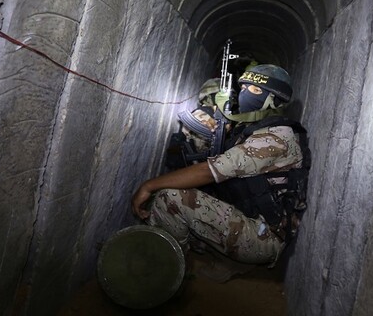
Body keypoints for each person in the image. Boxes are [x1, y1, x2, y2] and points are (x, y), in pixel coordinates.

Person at [132, 64, 311, 267]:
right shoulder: (256, 129)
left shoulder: (275, 138)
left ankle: (168, 268)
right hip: (247, 215)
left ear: (272, 100)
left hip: (264, 236)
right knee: (179, 198)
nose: (244, 94)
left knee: (170, 197)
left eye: (254, 90)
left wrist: (148, 186)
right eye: (243, 88)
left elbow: (210, 171)